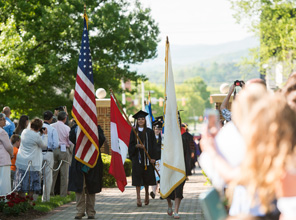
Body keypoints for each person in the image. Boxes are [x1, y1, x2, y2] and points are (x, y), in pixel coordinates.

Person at [68, 123, 105, 219]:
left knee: (91, 186)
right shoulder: (76, 127)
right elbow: (71, 138)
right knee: (79, 185)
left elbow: (101, 140)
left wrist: (94, 132)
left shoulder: (96, 127)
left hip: (93, 159)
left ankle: (91, 212)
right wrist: (78, 130)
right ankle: (80, 211)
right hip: (79, 160)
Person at [128, 110, 157, 207]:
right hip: (137, 159)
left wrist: (153, 158)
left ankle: (146, 195)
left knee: (147, 178)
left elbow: (154, 146)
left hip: (148, 160)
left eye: (142, 119)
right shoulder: (134, 132)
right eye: (139, 119)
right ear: (137, 120)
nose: (141, 120)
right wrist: (136, 146)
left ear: (145, 120)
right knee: (137, 179)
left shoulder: (149, 132)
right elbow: (130, 145)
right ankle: (138, 197)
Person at [14, 118, 48, 198]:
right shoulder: (36, 136)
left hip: (21, 161)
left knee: (21, 185)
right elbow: (44, 146)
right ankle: (29, 203)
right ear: (39, 128)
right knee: (31, 186)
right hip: (32, 164)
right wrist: (45, 135)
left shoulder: (24, 132)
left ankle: (21, 203)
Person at [166, 122, 192, 219]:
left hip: (181, 168)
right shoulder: (166, 139)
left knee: (179, 190)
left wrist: (187, 170)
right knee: (168, 190)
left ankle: (176, 211)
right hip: (169, 167)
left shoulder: (184, 138)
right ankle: (169, 204)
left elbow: (187, 155)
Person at [51, 111, 72, 197]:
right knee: (64, 174)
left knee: (53, 173)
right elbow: (70, 141)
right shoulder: (67, 128)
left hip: (54, 150)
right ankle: (63, 194)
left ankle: (50, 192)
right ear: (65, 118)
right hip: (64, 150)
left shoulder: (52, 126)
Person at [41, 110, 59, 202]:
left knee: (37, 175)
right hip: (49, 152)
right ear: (51, 118)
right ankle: (45, 198)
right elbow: (56, 144)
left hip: (39, 153)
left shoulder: (38, 127)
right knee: (48, 176)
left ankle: (34, 197)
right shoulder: (52, 129)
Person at [0, 113, 13, 195]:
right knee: (4, 181)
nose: (5, 121)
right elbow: (8, 146)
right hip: (3, 158)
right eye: (3, 119)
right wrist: (11, 154)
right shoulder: (2, 132)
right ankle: (4, 201)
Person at [150, 119, 162, 200]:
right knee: (154, 177)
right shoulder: (151, 138)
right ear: (154, 129)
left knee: (161, 177)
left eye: (159, 129)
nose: (158, 131)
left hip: (161, 160)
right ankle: (153, 192)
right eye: (156, 129)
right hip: (154, 159)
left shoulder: (163, 138)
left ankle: (162, 193)